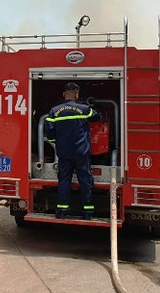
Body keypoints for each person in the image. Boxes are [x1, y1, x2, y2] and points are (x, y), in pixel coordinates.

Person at [45, 82, 101, 220]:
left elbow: (50, 132)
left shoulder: (54, 111)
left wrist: (55, 143)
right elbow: (97, 116)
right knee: (85, 179)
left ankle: (62, 210)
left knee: (64, 179)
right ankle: (87, 212)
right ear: (77, 95)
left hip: (63, 152)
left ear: (64, 94)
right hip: (81, 152)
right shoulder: (84, 109)